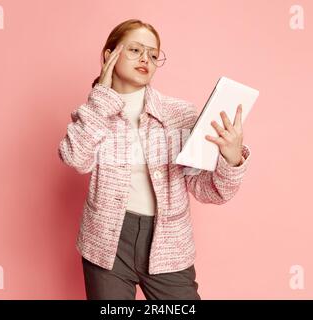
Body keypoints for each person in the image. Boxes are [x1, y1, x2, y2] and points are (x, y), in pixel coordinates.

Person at [58, 19, 251, 300]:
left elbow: (208, 191)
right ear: (109, 55)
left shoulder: (180, 114)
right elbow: (76, 158)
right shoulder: (95, 113)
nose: (145, 59)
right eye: (135, 50)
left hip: (168, 244)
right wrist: (102, 95)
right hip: (106, 243)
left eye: (152, 54)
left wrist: (231, 160)